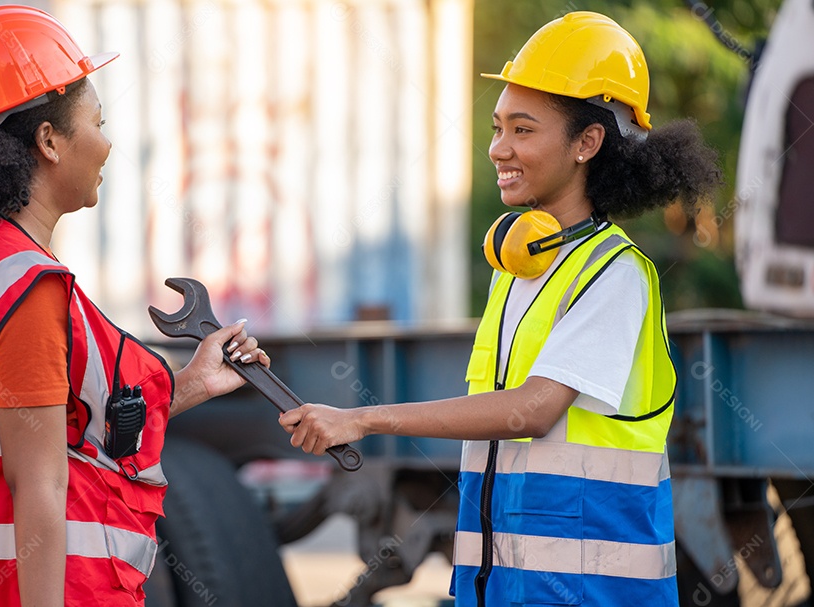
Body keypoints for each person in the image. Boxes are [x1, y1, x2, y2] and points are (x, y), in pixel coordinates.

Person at [279, 11, 721, 607]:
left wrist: (364, 419)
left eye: (522, 129)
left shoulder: (615, 274)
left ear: (587, 143)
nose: (498, 149)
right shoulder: (517, 271)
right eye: (496, 127)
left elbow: (533, 411)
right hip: (503, 590)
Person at [0, 6, 269, 606]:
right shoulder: (27, 286)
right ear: (48, 140)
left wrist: (192, 381)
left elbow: (78, 433)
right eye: (97, 120)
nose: (108, 141)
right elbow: (37, 479)